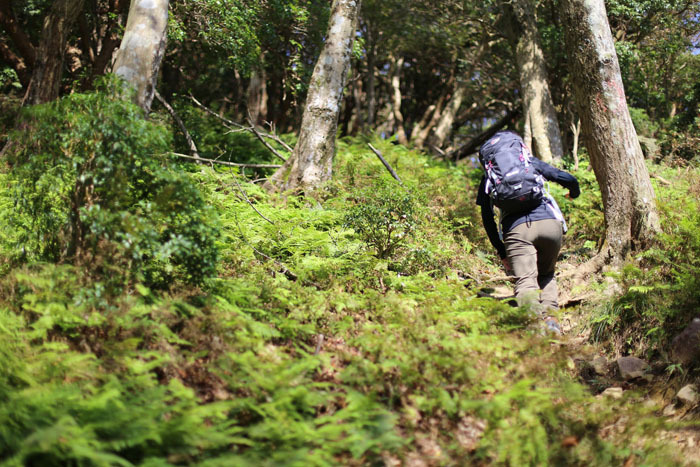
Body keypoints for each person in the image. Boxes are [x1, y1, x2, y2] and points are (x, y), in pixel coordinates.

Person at [476, 131, 580, 334]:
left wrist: (502, 251)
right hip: (550, 223)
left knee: (526, 281)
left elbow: (487, 218)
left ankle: (534, 330)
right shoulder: (529, 163)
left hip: (516, 230)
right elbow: (567, 178)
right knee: (547, 273)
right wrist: (573, 193)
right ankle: (552, 321)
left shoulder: (489, 177)